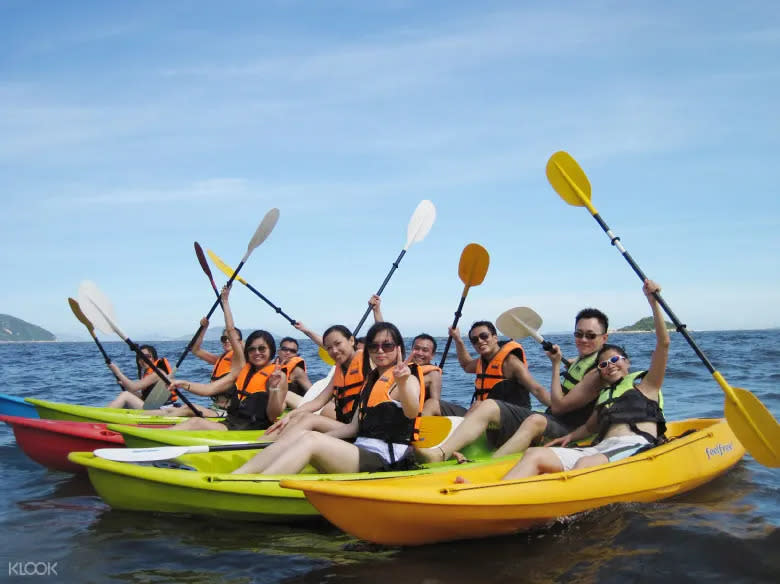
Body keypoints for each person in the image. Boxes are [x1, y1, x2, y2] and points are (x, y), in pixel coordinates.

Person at [497, 280, 668, 481]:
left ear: (627, 362)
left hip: (635, 445)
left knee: (585, 465)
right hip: (601, 448)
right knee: (535, 454)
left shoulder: (647, 385)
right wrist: (568, 438)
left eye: (614, 360)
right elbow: (588, 428)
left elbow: (663, 343)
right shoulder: (604, 395)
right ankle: (491, 493)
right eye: (603, 364)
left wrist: (653, 302)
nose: (609, 365)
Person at [232, 321, 423, 475]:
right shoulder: (370, 382)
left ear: (398, 348)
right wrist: (304, 435)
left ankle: (261, 483)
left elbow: (412, 410)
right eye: (374, 346)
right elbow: (353, 427)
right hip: (361, 449)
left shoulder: (407, 379)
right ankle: (240, 475)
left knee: (312, 439)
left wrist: (404, 381)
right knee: (305, 435)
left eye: (387, 346)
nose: (380, 350)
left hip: (386, 460)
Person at [416, 320, 551, 462]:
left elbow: (537, 389)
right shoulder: (482, 361)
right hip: (482, 418)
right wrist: (457, 339)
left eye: (484, 336)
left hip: (509, 421)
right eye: (474, 340)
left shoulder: (510, 362)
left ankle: (448, 449)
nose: (480, 341)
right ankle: (418, 445)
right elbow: (467, 365)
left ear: (495, 337)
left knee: (479, 405)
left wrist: (556, 409)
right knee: (432, 403)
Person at [485, 308, 609, 458]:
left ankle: (493, 462)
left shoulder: (601, 369)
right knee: (487, 405)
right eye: (578, 334)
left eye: (591, 336)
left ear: (604, 338)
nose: (583, 340)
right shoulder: (581, 360)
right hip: (556, 420)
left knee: (535, 421)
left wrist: (555, 365)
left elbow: (557, 408)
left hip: (574, 429)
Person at [168, 286, 287, 431]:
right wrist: (183, 383)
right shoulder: (242, 370)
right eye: (252, 349)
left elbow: (273, 415)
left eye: (262, 348)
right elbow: (208, 389)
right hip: (231, 423)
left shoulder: (278, 377)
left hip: (251, 429)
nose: (257, 352)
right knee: (194, 421)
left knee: (195, 423)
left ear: (271, 350)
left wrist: (274, 389)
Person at [262, 324, 363, 439]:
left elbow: (383, 343)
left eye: (338, 343)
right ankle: (257, 445)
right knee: (299, 416)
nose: (334, 350)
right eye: (329, 348)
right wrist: (290, 415)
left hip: (359, 429)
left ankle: (271, 447)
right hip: (345, 424)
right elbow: (319, 401)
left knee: (309, 419)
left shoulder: (368, 360)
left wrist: (377, 312)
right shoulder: (340, 370)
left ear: (351, 340)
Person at [106, 345, 175, 409]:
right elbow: (143, 397)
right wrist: (125, 385)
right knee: (127, 393)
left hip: (163, 410)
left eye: (147, 356)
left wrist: (117, 372)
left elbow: (133, 387)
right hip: (154, 407)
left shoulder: (157, 373)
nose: (143, 359)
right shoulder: (149, 373)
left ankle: (105, 413)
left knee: (125, 395)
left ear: (154, 358)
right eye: (140, 357)